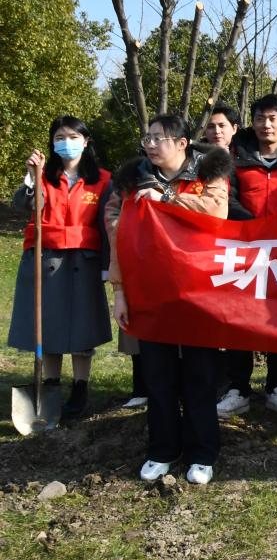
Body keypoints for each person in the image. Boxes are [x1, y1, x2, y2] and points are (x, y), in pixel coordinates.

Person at [106, 114, 232, 484]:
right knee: (157, 375)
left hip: (199, 290)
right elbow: (118, 236)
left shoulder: (209, 172)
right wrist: (119, 292)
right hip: (150, 291)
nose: (150, 144)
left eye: (158, 138)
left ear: (181, 143)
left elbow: (216, 211)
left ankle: (203, 452)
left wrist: (167, 199)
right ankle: (162, 449)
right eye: (147, 137)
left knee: (199, 374)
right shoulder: (132, 181)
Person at [8, 116, 113, 419]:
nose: (66, 143)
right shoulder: (43, 176)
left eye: (73, 137)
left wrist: (107, 265)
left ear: (86, 141)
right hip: (45, 258)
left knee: (83, 326)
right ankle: (50, 384)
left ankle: (80, 387)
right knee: (48, 325)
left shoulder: (102, 179)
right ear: (52, 143)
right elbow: (24, 206)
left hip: (85, 260)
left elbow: (107, 225)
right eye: (59, 137)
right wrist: (32, 177)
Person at [218, 94, 277, 418]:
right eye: (260, 118)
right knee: (240, 318)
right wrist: (256, 227)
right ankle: (238, 388)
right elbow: (227, 198)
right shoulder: (235, 159)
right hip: (244, 249)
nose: (266, 125)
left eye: (273, 119)